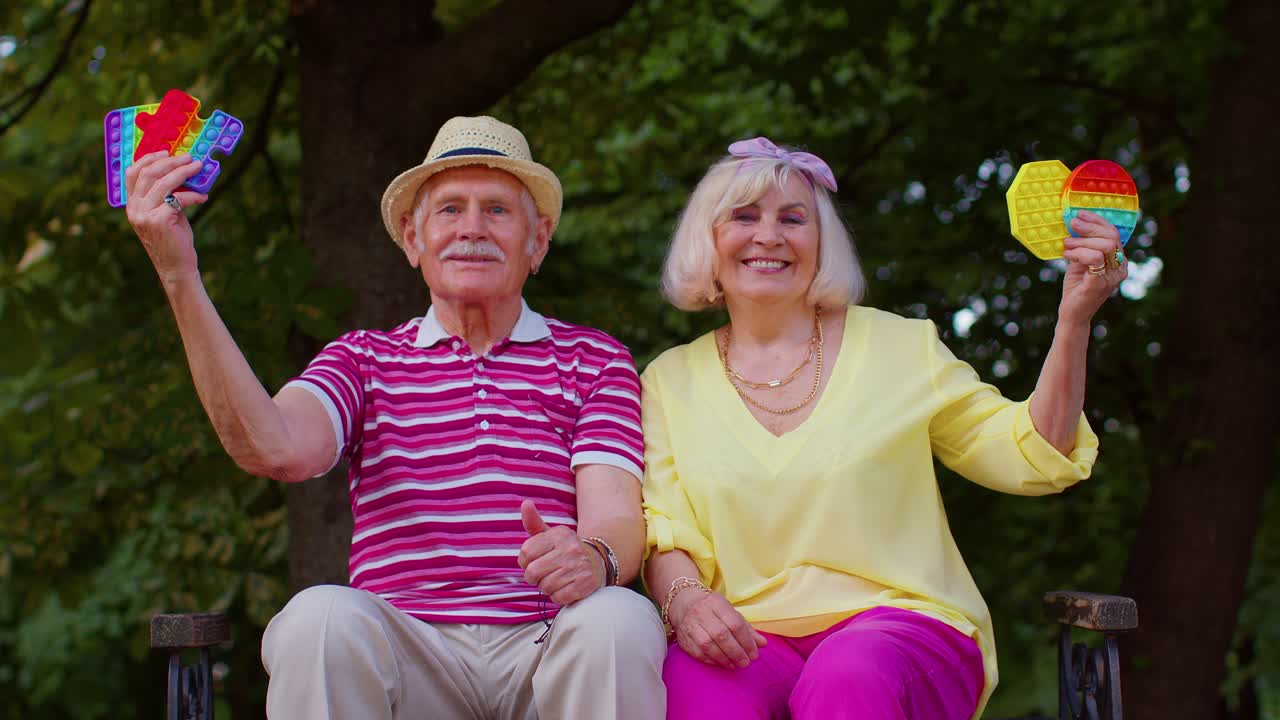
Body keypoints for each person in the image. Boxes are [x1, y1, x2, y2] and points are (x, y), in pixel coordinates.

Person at [125, 115, 666, 720]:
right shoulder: (363, 359)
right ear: (413, 239)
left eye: (497, 211)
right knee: (318, 617)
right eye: (450, 210)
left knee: (619, 617)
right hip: (410, 654)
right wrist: (179, 274)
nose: (471, 229)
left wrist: (594, 559)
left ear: (536, 241)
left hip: (546, 646)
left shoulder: (594, 358)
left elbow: (617, 515)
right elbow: (272, 448)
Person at [640, 137, 1119, 719]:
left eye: (793, 218)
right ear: (707, 240)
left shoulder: (901, 346)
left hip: (901, 627)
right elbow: (664, 530)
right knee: (694, 683)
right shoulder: (667, 381)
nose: (769, 235)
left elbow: (1030, 454)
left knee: (848, 673)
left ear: (821, 243)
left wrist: (1073, 319)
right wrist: (687, 602)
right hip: (749, 634)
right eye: (744, 216)